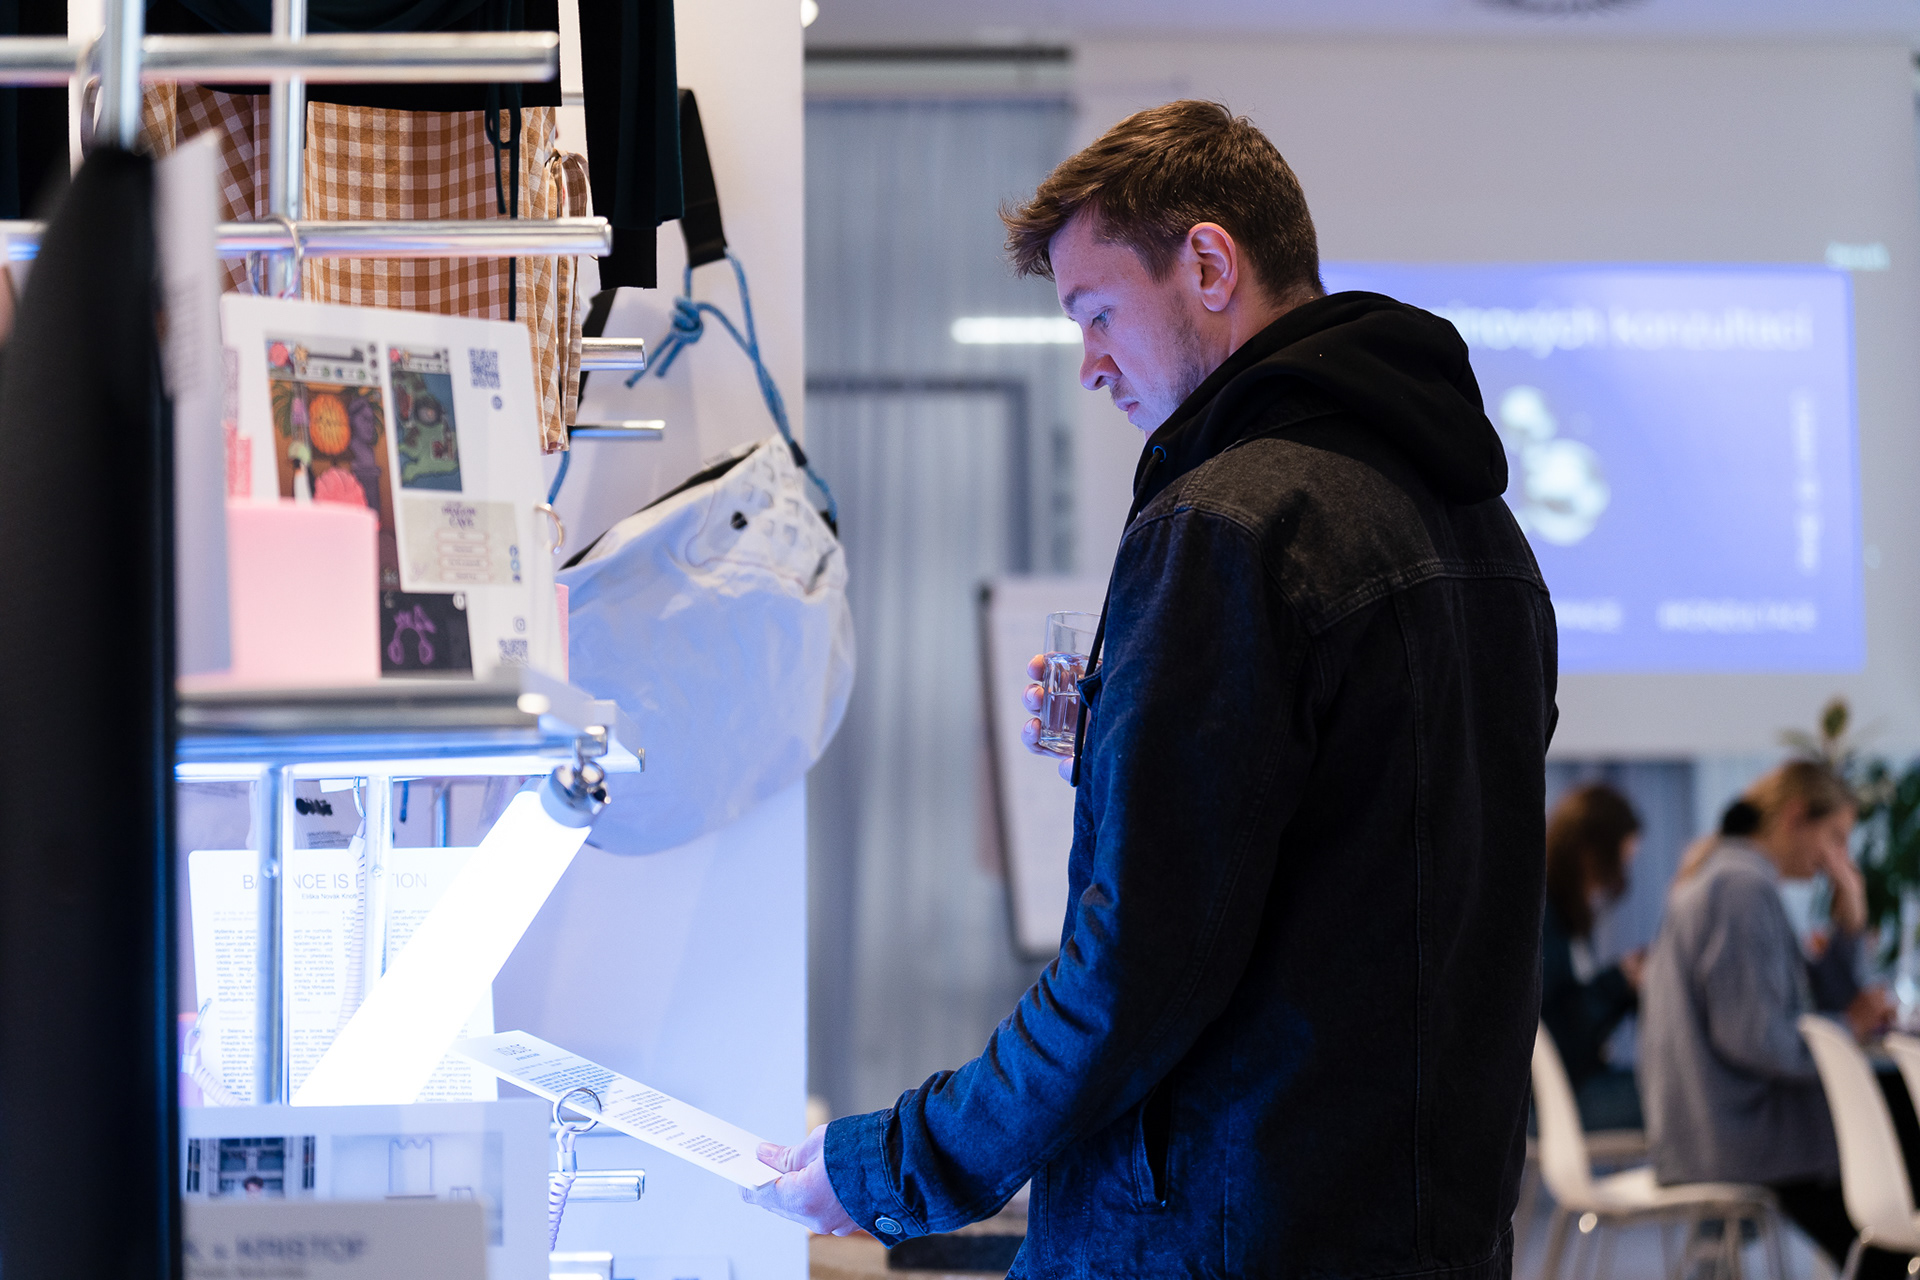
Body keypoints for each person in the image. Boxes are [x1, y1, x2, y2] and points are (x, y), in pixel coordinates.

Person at [745, 99, 1557, 1276]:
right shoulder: (1489, 538)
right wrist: (1123, 728)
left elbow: (1137, 968)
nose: (1089, 363)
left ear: (1210, 264)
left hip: (1219, 1236)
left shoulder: (1227, 524)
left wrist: (896, 1164)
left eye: (1097, 312)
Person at [1640, 761, 1904, 1280]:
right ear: (1796, 816)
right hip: (1738, 1137)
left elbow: (1807, 1002)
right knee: (1896, 1129)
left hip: (1717, 1129)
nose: (1839, 858)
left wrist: (1849, 923)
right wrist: (1848, 1028)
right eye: (1836, 837)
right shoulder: (1741, 890)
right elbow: (1757, 1038)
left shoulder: (1728, 878)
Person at [1541, 784, 1645, 1133]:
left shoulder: (1562, 918)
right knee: (1686, 1098)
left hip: (1570, 1085)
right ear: (1589, 854)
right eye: (1616, 866)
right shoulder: (1544, 919)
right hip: (1556, 1099)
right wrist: (1619, 981)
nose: (1617, 881)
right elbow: (1557, 1032)